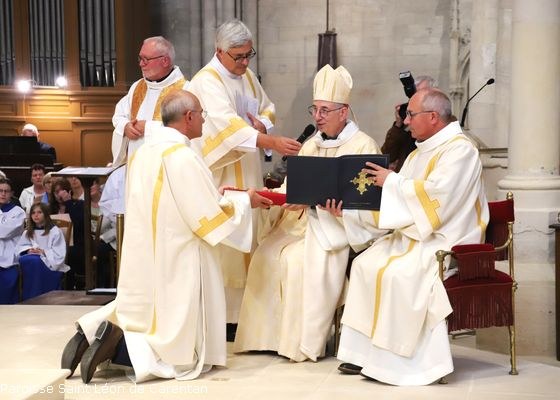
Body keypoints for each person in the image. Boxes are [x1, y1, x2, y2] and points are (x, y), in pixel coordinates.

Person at [61, 89, 273, 384]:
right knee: (175, 338)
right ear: (189, 117)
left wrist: (218, 194)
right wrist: (244, 200)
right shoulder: (182, 156)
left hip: (147, 247)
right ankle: (122, 348)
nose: (204, 120)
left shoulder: (145, 153)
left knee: (147, 314)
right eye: (202, 114)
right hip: (180, 252)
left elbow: (181, 200)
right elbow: (206, 217)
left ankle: (90, 331)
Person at [336, 88, 489, 385]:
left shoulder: (461, 151)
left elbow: (438, 198)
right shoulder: (420, 151)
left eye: (411, 115)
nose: (406, 122)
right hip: (414, 234)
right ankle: (364, 354)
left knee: (399, 274)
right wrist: (350, 212)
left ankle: (401, 362)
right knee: (365, 265)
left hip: (446, 238)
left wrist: (392, 181)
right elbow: (398, 202)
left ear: (433, 117)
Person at [234, 65, 385, 362]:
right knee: (264, 254)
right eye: (314, 109)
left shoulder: (363, 145)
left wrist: (338, 211)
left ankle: (300, 343)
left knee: (297, 261)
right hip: (298, 224)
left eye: (325, 110)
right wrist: (276, 198)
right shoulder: (311, 144)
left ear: (343, 112)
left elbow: (369, 202)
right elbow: (292, 187)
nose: (317, 116)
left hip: (334, 227)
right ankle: (266, 338)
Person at [188, 19, 301, 326]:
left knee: (250, 234)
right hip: (221, 171)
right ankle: (224, 317)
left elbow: (267, 107)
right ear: (219, 51)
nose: (245, 62)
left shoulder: (247, 76)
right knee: (228, 241)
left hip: (247, 167)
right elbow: (227, 127)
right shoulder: (207, 81)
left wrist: (263, 124)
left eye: (249, 55)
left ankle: (245, 316)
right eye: (238, 56)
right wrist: (272, 141)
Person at [111, 36, 189, 164]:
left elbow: (185, 129)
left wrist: (147, 128)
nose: (141, 64)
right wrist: (125, 126)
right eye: (140, 58)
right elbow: (119, 115)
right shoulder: (137, 87)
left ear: (165, 61)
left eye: (146, 59)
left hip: (165, 165)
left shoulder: (185, 91)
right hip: (136, 164)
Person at [15, 203, 69, 300]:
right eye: (33, 213)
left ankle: (36, 296)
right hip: (30, 258)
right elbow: (20, 247)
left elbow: (59, 253)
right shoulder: (28, 232)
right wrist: (28, 250)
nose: (36, 215)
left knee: (35, 261)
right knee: (27, 260)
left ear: (46, 214)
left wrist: (43, 252)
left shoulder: (55, 231)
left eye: (39, 212)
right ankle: (29, 296)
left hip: (49, 262)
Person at [381, 75, 436, 172]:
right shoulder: (406, 124)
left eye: (421, 95)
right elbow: (388, 156)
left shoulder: (441, 125)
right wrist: (398, 126)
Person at [0, 178, 26, 304]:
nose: (3, 194)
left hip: (9, 258)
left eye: (6, 191)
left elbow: (5, 232)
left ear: (11, 193)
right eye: (0, 191)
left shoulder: (18, 212)